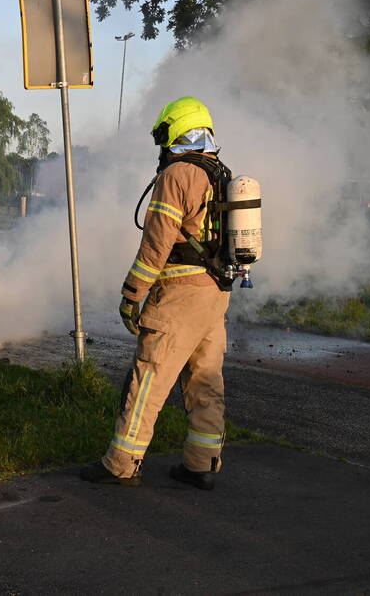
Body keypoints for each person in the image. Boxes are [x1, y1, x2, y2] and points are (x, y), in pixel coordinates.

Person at [82, 96, 230, 490]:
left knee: (149, 379)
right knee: (206, 381)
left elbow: (157, 243)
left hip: (180, 294)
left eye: (164, 135)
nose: (163, 146)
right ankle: (202, 464)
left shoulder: (178, 174)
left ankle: (121, 465)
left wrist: (133, 293)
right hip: (215, 292)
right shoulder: (221, 173)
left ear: (177, 130)